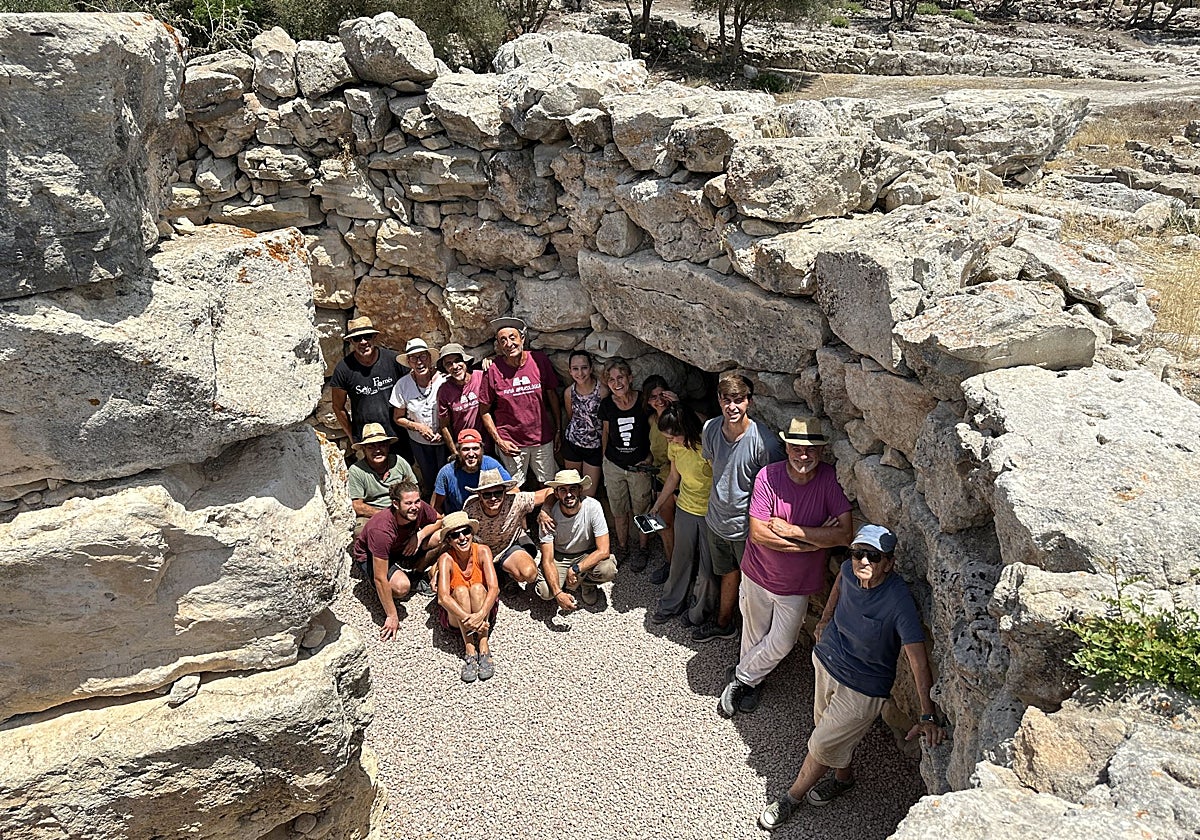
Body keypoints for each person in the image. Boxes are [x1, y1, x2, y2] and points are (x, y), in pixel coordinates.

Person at [757, 525, 946, 831]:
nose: (863, 562)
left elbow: (918, 660)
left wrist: (927, 714)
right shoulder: (848, 570)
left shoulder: (898, 600)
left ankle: (791, 798)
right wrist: (826, 619)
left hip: (864, 686)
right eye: (858, 553)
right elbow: (840, 583)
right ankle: (843, 779)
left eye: (873, 556)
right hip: (827, 663)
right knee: (828, 731)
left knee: (821, 743)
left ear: (889, 563)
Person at [717, 417, 853, 718]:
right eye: (796, 447)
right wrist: (814, 541)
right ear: (787, 447)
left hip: (797, 584)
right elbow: (759, 533)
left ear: (820, 451)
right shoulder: (769, 476)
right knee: (753, 635)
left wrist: (791, 531)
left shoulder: (828, 480)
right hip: (757, 574)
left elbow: (845, 534)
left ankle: (740, 678)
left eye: (809, 449)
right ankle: (752, 683)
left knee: (783, 641)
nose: (802, 455)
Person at [694, 372, 786, 644]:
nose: (732, 407)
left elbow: (774, 489)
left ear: (750, 402)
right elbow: (715, 466)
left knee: (754, 587)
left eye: (738, 400)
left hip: (747, 529)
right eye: (727, 400)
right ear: (719, 400)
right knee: (727, 573)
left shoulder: (764, 443)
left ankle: (754, 640)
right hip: (717, 520)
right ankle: (724, 623)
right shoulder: (711, 429)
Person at [648, 402, 715, 626]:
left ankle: (698, 613)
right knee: (680, 560)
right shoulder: (676, 447)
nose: (669, 442)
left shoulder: (707, 446)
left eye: (671, 437)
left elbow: (719, 481)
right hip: (685, 507)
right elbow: (673, 478)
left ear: (683, 430)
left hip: (709, 513)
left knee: (706, 569)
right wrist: (658, 504)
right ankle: (670, 605)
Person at [350, 482, 444, 641]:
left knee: (442, 536)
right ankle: (387, 587)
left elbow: (440, 520)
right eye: (408, 503)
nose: (414, 507)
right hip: (371, 556)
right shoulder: (381, 529)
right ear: (395, 504)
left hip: (400, 546)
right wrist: (392, 615)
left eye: (417, 501)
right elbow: (380, 578)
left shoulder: (419, 508)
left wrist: (419, 536)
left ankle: (417, 573)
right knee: (401, 587)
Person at [480, 317, 562, 487]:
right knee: (512, 489)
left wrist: (558, 429)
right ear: (499, 346)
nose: (509, 343)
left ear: (522, 339)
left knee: (549, 486)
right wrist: (499, 441)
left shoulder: (539, 361)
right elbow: (484, 410)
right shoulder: (493, 369)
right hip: (510, 442)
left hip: (542, 440)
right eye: (503, 340)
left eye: (512, 337)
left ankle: (545, 515)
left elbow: (552, 396)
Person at [598, 357, 654, 571]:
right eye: (611, 379)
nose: (616, 383)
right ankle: (622, 547)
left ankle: (643, 548)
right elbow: (605, 432)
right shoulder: (606, 405)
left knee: (643, 509)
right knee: (619, 510)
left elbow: (654, 430)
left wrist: (649, 458)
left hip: (639, 466)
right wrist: (605, 459)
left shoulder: (643, 402)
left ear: (630, 378)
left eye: (620, 377)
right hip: (614, 465)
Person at [535, 469, 618, 610]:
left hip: (586, 553)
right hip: (560, 556)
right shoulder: (548, 517)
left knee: (608, 569)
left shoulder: (593, 506)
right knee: (546, 592)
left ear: (580, 490)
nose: (568, 494)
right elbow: (547, 559)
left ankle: (586, 584)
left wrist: (575, 569)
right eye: (563, 490)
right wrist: (558, 593)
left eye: (573, 488)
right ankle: (566, 585)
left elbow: (604, 550)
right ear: (556, 493)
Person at [435, 511, 500, 683]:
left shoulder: (483, 551)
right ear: (449, 540)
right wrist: (469, 619)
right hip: (459, 616)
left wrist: (479, 615)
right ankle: (470, 647)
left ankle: (483, 644)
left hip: (482, 611)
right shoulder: (446, 558)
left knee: (478, 588)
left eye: (466, 532)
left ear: (472, 534)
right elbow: (443, 598)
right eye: (455, 535)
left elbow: (494, 588)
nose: (462, 538)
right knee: (461, 591)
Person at [462, 468, 554, 588]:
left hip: (507, 548)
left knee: (529, 574)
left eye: (498, 493)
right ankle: (496, 572)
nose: (493, 498)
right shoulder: (470, 511)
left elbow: (551, 490)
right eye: (487, 494)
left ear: (505, 492)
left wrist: (545, 509)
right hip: (480, 553)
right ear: (479, 495)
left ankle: (507, 572)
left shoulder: (516, 501)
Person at [330, 317, 407, 454]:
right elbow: (337, 406)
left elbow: (412, 385)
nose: (363, 342)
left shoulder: (393, 360)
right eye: (357, 338)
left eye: (367, 336)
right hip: (367, 440)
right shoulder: (344, 369)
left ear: (375, 337)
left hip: (398, 436)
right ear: (351, 341)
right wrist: (352, 436)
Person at [390, 337, 446, 498]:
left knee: (447, 477)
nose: (419, 362)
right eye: (413, 358)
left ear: (429, 358)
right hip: (420, 443)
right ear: (408, 362)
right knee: (429, 479)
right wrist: (419, 427)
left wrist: (444, 431)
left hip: (445, 440)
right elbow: (398, 417)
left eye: (422, 356)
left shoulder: (444, 379)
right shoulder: (403, 385)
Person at [347, 423, 419, 534]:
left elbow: (415, 488)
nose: (377, 450)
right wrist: (387, 515)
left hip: (402, 508)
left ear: (388, 446)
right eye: (371, 447)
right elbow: (357, 505)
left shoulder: (398, 462)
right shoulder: (356, 470)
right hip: (372, 513)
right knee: (360, 531)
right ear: (363, 449)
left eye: (382, 445)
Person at [643, 375, 679, 584]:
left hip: (681, 481)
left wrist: (678, 405)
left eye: (662, 394)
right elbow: (653, 449)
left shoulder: (677, 417)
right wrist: (647, 461)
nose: (658, 400)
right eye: (653, 396)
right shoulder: (651, 421)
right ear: (647, 400)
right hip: (661, 478)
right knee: (665, 526)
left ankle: (682, 567)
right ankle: (671, 563)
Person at [432, 429, 511, 515]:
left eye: (475, 448)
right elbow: (435, 507)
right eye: (466, 449)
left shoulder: (491, 464)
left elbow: (513, 490)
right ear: (458, 451)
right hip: (460, 518)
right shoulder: (446, 473)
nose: (471, 454)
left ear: (481, 450)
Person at [561, 350, 606, 498]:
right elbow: (571, 416)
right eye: (575, 368)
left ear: (591, 368)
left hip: (594, 447)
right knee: (571, 489)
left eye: (584, 367)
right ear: (570, 371)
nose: (580, 373)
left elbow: (606, 422)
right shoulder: (569, 393)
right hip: (573, 444)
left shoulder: (602, 391)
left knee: (588, 494)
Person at [436, 343, 488, 460]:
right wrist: (455, 452)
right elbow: (444, 425)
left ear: (465, 361)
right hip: (465, 449)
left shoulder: (481, 377)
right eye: (449, 364)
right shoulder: (444, 391)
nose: (455, 366)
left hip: (488, 445)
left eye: (458, 361)